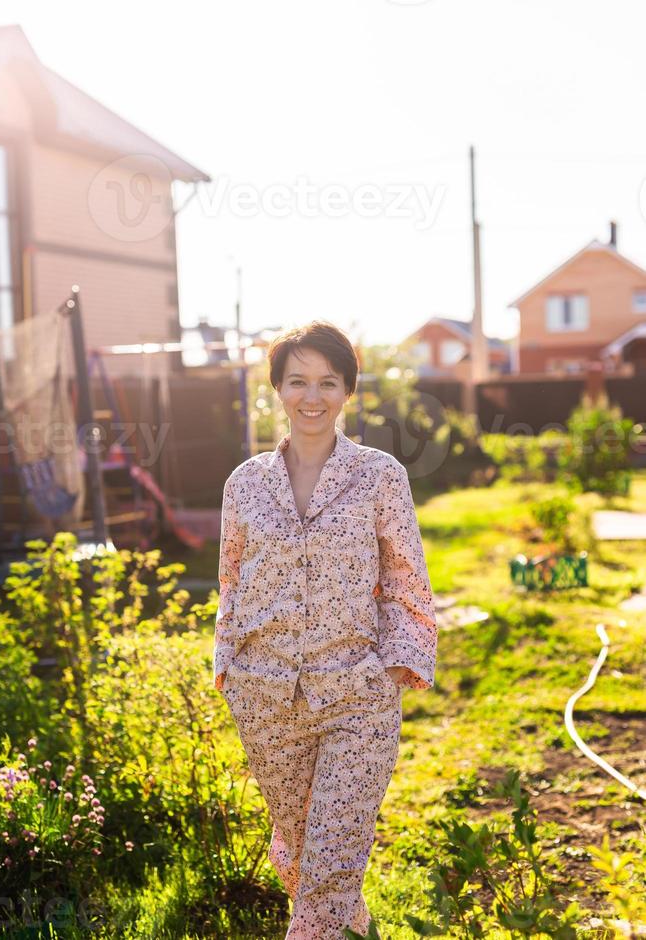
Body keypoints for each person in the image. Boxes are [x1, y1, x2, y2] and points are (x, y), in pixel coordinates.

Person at [213, 320, 438, 939]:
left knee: (331, 860)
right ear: (278, 390)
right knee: (303, 845)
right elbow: (232, 581)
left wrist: (398, 664)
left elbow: (404, 574)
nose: (312, 397)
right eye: (298, 382)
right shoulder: (245, 484)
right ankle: (350, 926)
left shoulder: (379, 475)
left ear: (347, 392)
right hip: (265, 697)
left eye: (327, 383)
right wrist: (227, 666)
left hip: (357, 696)